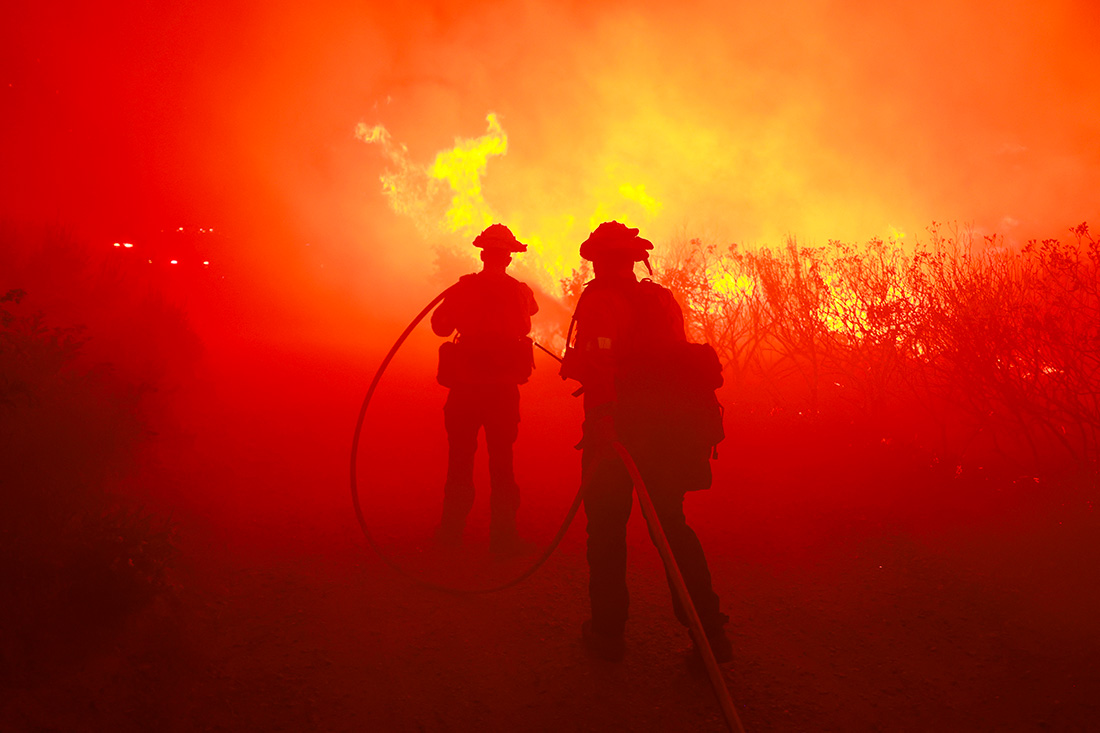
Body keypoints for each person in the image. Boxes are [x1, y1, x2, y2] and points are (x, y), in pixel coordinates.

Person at [559, 221, 732, 662]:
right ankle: (710, 636)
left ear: (599, 260)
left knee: (606, 533)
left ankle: (607, 634)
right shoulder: (662, 298)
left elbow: (602, 365)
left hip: (617, 430)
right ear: (634, 261)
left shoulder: (600, 302)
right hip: (669, 430)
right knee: (671, 528)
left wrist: (583, 375)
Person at [431, 224, 539, 555]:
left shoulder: (462, 288)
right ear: (508, 258)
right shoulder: (520, 292)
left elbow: (439, 327)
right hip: (502, 393)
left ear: (482, 254)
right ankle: (503, 537)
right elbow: (528, 320)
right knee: (502, 463)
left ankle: (450, 534)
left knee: (460, 461)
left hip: (464, 389)